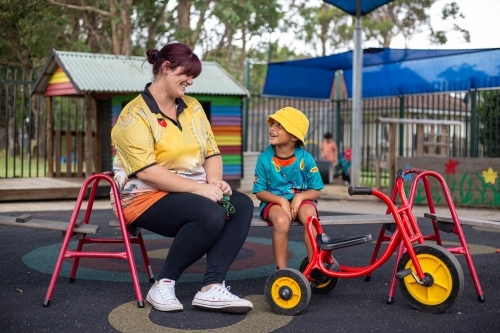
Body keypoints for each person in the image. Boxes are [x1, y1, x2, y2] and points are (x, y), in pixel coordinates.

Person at [110, 42, 254, 314]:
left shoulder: (194, 107)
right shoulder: (133, 115)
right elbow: (147, 171)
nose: (190, 81)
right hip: (143, 196)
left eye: (192, 76)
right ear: (165, 68)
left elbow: (211, 152)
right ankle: (162, 284)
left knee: (241, 204)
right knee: (209, 213)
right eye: (186, 74)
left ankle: (212, 288)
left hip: (191, 191)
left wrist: (213, 182)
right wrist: (200, 191)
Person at [252, 107, 326, 279]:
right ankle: (281, 272)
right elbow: (259, 192)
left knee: (310, 215)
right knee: (281, 221)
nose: (272, 128)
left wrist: (300, 197)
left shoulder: (305, 158)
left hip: (301, 201)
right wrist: (281, 201)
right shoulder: (264, 159)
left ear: (294, 136)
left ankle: (315, 264)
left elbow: (316, 191)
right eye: (273, 124)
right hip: (273, 202)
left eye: (279, 126)